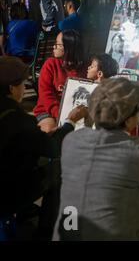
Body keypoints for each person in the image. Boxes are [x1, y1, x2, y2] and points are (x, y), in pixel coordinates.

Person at [52, 78, 139, 240]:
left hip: (68, 232)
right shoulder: (137, 149)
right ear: (128, 119)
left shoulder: (71, 140)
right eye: (137, 109)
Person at [0, 56, 87, 240]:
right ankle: (46, 231)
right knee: (60, 168)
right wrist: (70, 120)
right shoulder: (17, 119)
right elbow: (54, 147)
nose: (24, 88)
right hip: (6, 194)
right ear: (11, 89)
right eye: (23, 84)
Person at [33, 29, 86, 133]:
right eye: (54, 44)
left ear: (68, 48)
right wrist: (60, 114)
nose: (54, 47)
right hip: (48, 110)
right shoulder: (50, 64)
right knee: (51, 130)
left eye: (57, 44)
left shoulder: (84, 67)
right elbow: (45, 94)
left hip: (75, 110)